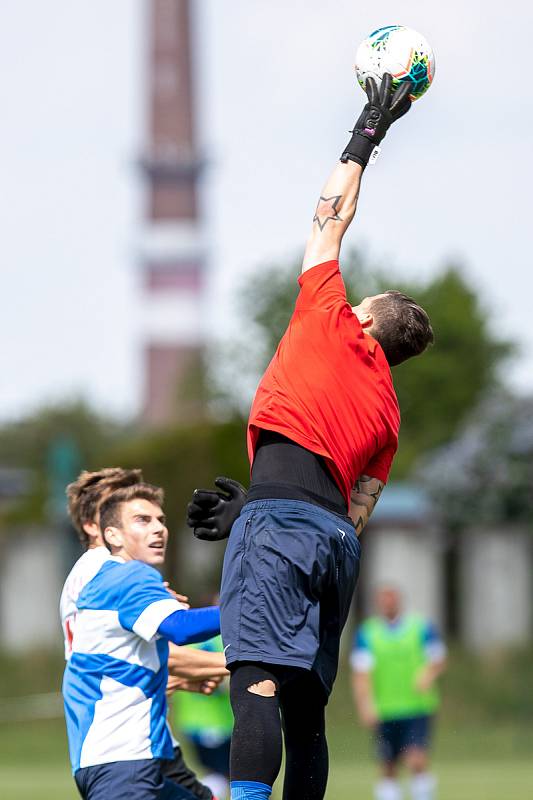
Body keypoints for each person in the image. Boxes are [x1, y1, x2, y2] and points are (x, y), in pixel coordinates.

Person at [187, 74, 434, 800]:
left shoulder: (328, 320)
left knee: (254, 685)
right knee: (306, 713)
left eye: (362, 300)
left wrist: (368, 128)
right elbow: (357, 509)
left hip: (283, 523)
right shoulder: (387, 410)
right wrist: (271, 509)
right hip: (334, 543)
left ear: (364, 320)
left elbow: (330, 217)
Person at [62, 467, 229, 800]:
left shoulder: (88, 576)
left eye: (159, 519)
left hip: (131, 741)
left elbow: (126, 653)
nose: (156, 528)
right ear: (102, 528)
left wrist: (180, 676)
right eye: (140, 519)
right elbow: (179, 630)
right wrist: (245, 642)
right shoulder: (115, 573)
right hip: (124, 749)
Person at [351, 586, 447, 800]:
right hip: (385, 708)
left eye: (391, 599)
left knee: (416, 759)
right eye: (383, 600)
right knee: (388, 765)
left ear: (399, 601)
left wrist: (427, 675)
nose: (388, 604)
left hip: (417, 705)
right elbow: (361, 674)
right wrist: (365, 704)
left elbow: (438, 659)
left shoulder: (421, 627)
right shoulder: (367, 633)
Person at [173, 632, 233, 800]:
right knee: (222, 776)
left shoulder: (178, 638)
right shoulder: (218, 639)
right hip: (219, 722)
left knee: (211, 773)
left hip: (189, 724)